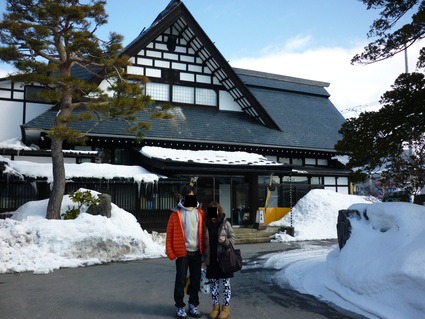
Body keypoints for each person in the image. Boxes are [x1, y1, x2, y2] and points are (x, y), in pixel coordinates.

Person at [166, 185, 205, 319]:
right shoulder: (175, 213)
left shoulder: (200, 213)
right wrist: (170, 252)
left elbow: (208, 229)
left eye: (193, 196)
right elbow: (169, 234)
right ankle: (180, 306)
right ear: (183, 197)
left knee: (195, 281)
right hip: (183, 253)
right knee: (180, 281)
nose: (191, 198)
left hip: (197, 252)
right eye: (188, 196)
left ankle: (193, 305)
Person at [203, 202, 236, 319]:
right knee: (214, 285)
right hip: (211, 260)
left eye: (215, 210)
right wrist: (203, 259)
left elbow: (233, 239)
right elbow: (203, 244)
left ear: (219, 211)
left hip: (223, 259)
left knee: (225, 284)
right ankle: (215, 308)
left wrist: (225, 240)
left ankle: (226, 308)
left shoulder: (225, 224)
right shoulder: (206, 225)